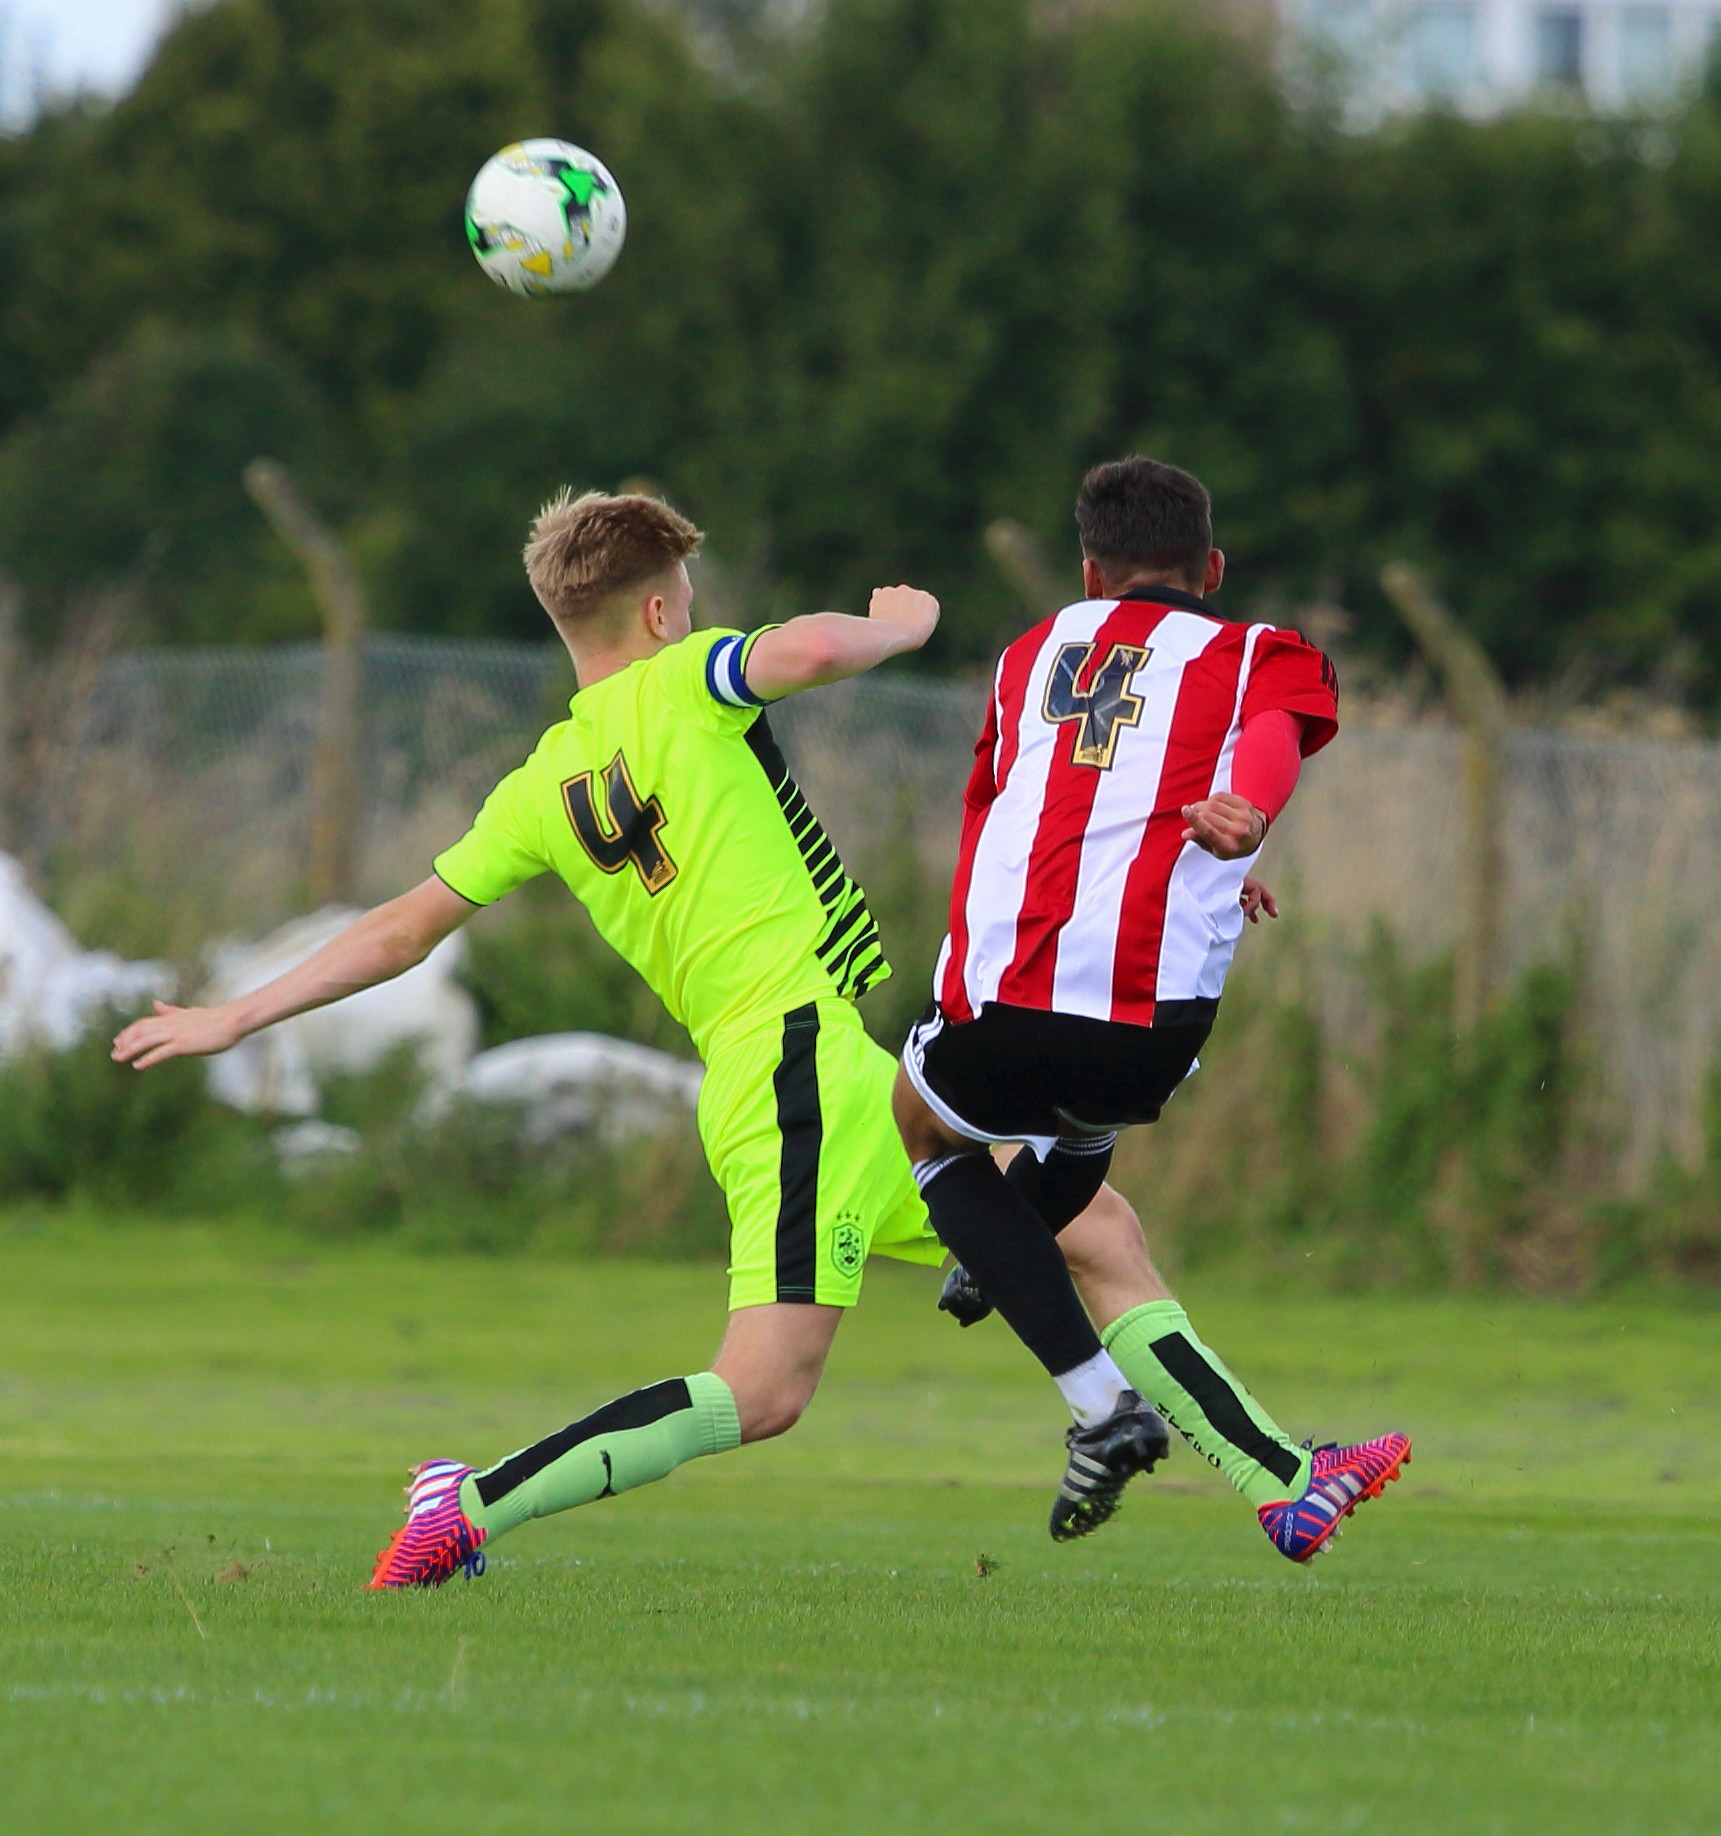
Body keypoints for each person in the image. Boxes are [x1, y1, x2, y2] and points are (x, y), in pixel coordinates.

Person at [114, 488, 958, 1589]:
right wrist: (899, 624)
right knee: (761, 1392)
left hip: (804, 1063)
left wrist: (237, 1013)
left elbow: (401, 930)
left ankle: (1170, 1431)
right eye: (688, 600)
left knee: (1070, 1222)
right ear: (658, 615)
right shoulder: (686, 680)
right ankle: (469, 1504)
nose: (696, 617)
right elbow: (807, 650)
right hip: (793, 1064)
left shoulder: (543, 782)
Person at [893, 456, 1410, 1560]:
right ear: (1211, 569)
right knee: (1090, 1132)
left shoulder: (1027, 656)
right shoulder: (1259, 650)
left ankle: (1084, 1379)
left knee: (927, 1131)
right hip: (1154, 1021)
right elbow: (1268, 741)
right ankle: (1013, 1252)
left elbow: (1010, 808)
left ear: (1087, 573)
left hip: (1010, 993)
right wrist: (1243, 827)